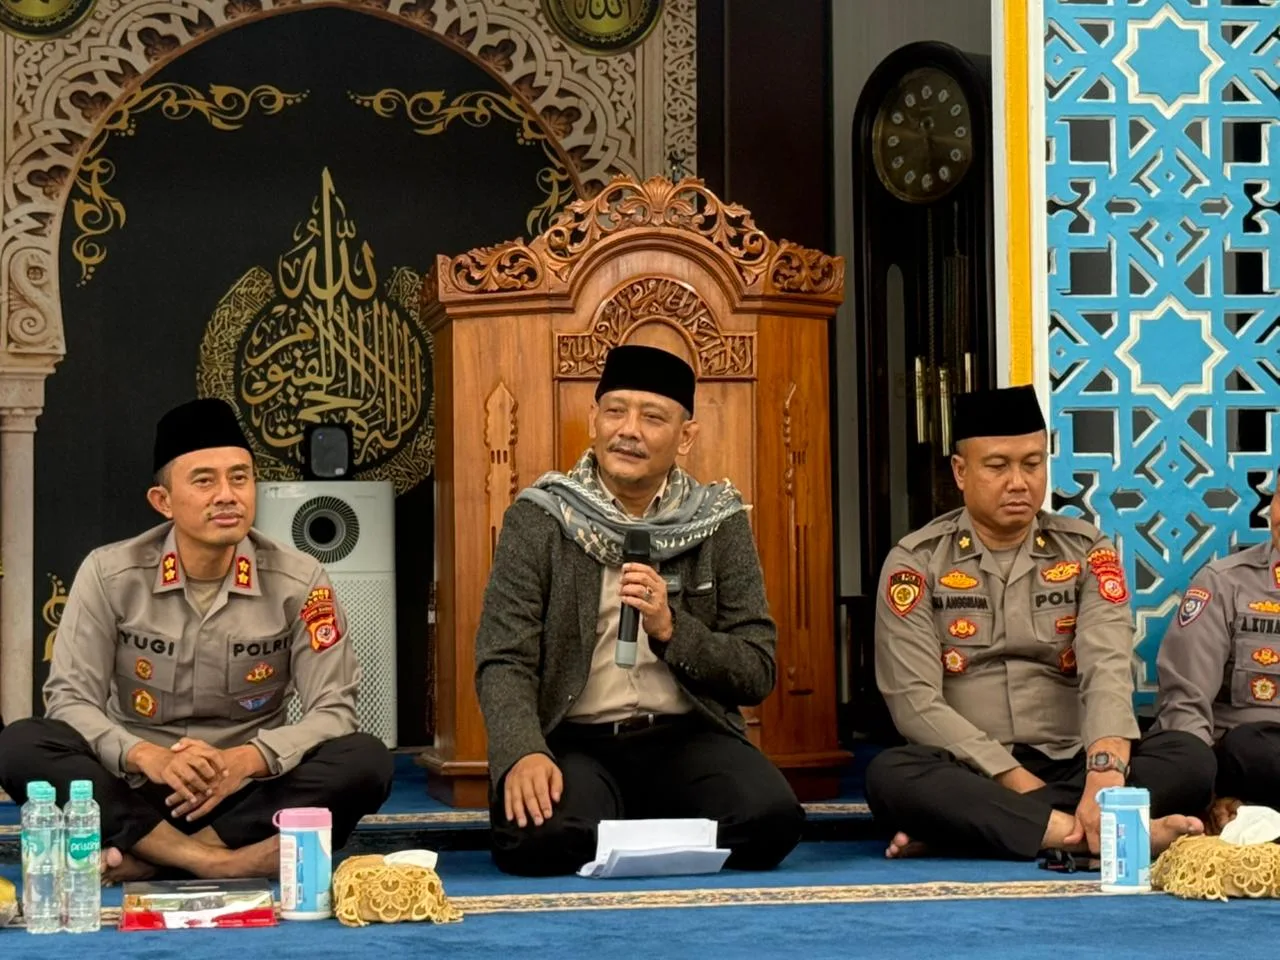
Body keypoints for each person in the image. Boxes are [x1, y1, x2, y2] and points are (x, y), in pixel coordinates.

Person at [0, 398, 393, 882]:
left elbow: (333, 710)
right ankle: (217, 862)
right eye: (204, 481)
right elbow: (69, 700)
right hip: (137, 791)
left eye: (240, 478)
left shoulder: (300, 580)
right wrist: (147, 756)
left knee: (366, 759)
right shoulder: (110, 573)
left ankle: (151, 860)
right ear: (162, 501)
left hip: (247, 796)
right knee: (20, 744)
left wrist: (246, 761)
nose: (227, 495)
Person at [475, 343, 804, 876]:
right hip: (576, 739)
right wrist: (522, 751)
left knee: (770, 820)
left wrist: (672, 629)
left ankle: (620, 824)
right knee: (540, 839)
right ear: (593, 420)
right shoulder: (541, 518)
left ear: (685, 436)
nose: (628, 430)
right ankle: (625, 819)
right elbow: (502, 658)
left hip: (684, 736)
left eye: (652, 418)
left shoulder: (717, 522)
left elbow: (756, 670)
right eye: (615, 411)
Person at [865, 385, 1213, 861]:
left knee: (1190, 758)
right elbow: (914, 701)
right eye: (998, 466)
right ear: (960, 472)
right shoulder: (916, 561)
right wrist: (1013, 780)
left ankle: (982, 830)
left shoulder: (1087, 550)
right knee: (891, 776)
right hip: (972, 770)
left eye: (1032, 464)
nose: (1018, 482)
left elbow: (1107, 664)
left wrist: (1104, 774)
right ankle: (1107, 831)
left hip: (1075, 762)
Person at [1152, 485, 1280, 833]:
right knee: (1247, 747)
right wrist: (1206, 792)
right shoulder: (1224, 583)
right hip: (1250, 757)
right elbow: (1185, 700)